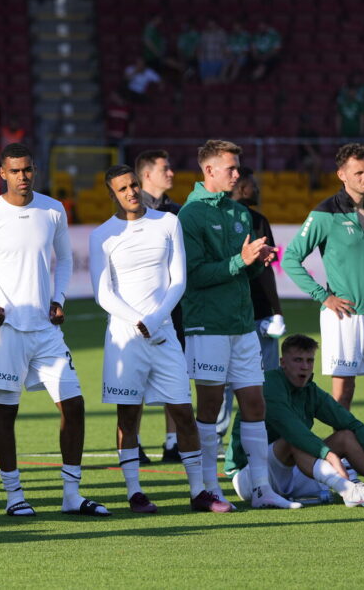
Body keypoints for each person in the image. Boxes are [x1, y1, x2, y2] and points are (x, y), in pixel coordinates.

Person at [0, 143, 108, 518]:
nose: (23, 176)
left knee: (74, 405)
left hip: (46, 331)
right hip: (5, 332)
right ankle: (14, 495)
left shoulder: (53, 209)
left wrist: (59, 298)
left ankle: (72, 495)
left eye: (28, 170)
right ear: (2, 173)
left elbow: (66, 259)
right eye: (16, 171)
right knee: (6, 414)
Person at [90, 165, 230, 514]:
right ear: (113, 194)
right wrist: (137, 321)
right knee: (127, 416)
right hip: (125, 337)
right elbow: (102, 293)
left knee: (183, 412)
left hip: (164, 334)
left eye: (134, 185)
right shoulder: (102, 235)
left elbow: (178, 280)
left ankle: (198, 492)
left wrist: (154, 319)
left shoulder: (168, 222)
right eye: (122, 189)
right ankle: (135, 492)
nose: (131, 193)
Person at [281, 143, 364, 503]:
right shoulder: (325, 213)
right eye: (358, 172)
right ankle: (351, 471)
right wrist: (323, 296)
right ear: (341, 175)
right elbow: (290, 258)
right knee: (343, 396)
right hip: (343, 318)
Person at [178, 139, 298, 510]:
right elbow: (193, 275)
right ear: (208, 170)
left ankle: (261, 489)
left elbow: (242, 272)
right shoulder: (189, 216)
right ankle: (208, 487)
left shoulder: (240, 213)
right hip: (207, 325)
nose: (237, 174)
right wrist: (239, 261)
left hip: (243, 325)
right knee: (211, 405)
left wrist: (256, 263)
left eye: (237, 167)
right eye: (230, 167)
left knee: (255, 403)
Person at [226, 335, 364, 506]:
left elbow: (351, 424)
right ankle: (348, 490)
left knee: (345, 436)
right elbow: (294, 431)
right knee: (293, 441)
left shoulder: (311, 390)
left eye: (309, 360)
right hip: (250, 476)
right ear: (283, 363)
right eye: (298, 360)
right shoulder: (270, 384)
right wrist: (329, 455)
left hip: (292, 472)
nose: (305, 366)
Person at [216, 167, 287, 442]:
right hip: (227, 316)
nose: (256, 188)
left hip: (259, 316)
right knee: (221, 383)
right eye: (253, 183)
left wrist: (276, 312)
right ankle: (215, 438)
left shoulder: (259, 220)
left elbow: (268, 269)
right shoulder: (218, 220)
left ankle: (264, 434)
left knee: (264, 381)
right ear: (241, 185)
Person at [135, 149, 182, 462]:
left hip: (172, 307)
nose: (172, 173)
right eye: (165, 168)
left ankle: (172, 442)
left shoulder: (179, 212)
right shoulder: (129, 211)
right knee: (133, 378)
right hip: (135, 309)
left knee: (173, 375)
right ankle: (133, 442)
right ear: (147, 175)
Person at [197, 18, 228, 85]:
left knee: (209, 81)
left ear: (216, 24)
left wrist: (225, 61)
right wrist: (200, 58)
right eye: (209, 24)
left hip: (217, 60)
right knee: (204, 81)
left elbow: (224, 47)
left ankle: (223, 81)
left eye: (212, 24)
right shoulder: (204, 33)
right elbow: (200, 46)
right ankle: (222, 80)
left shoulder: (221, 33)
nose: (211, 25)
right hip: (205, 60)